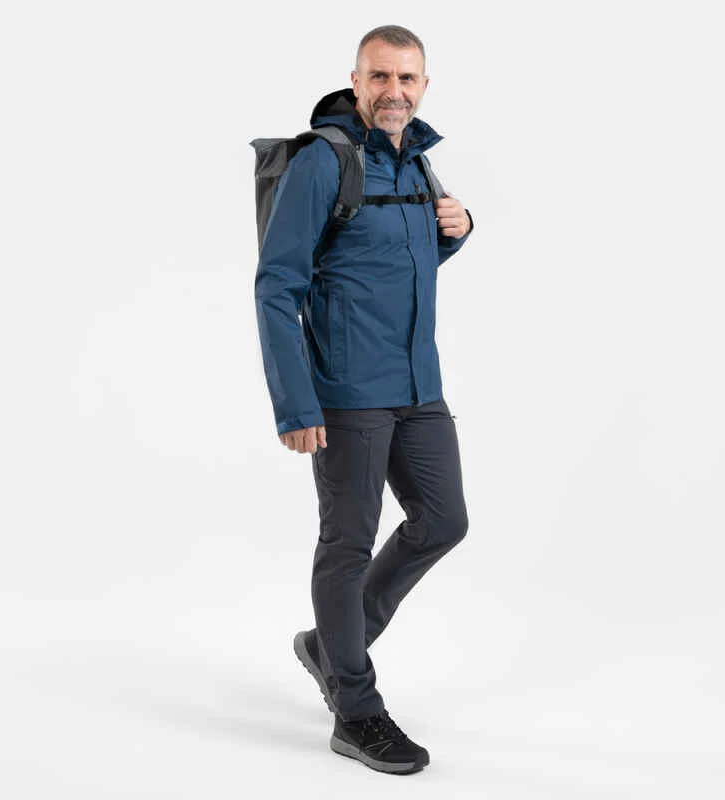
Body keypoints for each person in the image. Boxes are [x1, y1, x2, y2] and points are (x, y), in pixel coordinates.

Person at [254, 24, 473, 775]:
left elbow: (399, 257)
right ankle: (355, 708)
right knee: (347, 543)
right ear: (356, 81)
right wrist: (296, 404)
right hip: (348, 391)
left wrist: (459, 230)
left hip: (418, 384)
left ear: (424, 86)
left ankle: (332, 646)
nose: (393, 91)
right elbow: (276, 285)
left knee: (444, 520)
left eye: (407, 78)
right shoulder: (323, 161)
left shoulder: (417, 160)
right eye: (380, 77)